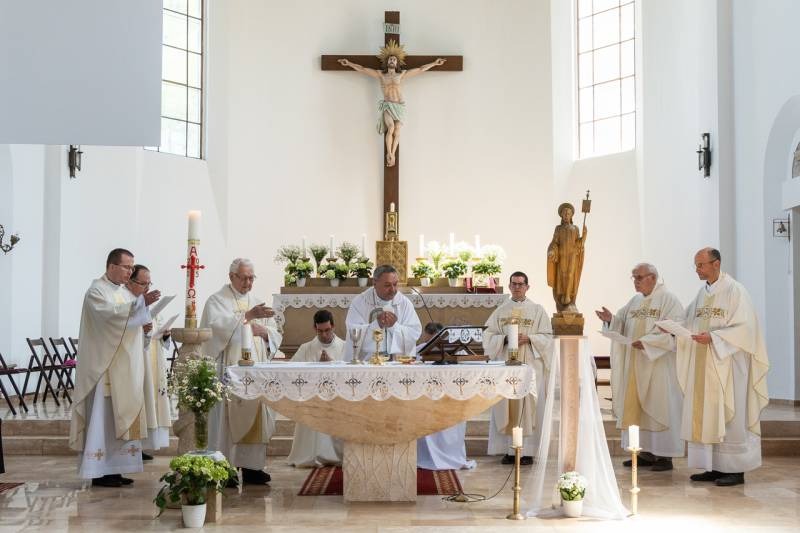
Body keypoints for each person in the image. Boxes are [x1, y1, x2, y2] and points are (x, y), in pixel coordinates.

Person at [677, 248, 769, 487]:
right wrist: (672, 328)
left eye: (700, 265)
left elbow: (746, 329)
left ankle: (735, 470)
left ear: (716, 264)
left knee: (731, 416)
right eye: (696, 265)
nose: (697, 270)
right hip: (704, 366)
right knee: (709, 414)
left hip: (729, 366)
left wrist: (714, 337)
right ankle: (714, 466)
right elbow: (687, 320)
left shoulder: (735, 291)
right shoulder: (702, 293)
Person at [69, 248, 159, 487]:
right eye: (127, 267)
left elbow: (129, 324)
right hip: (104, 368)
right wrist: (140, 304)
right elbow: (109, 318)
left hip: (123, 368)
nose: (130, 272)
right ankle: (99, 472)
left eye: (132, 267)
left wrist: (144, 326)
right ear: (111, 266)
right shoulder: (96, 291)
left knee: (117, 419)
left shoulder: (123, 293)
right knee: (103, 419)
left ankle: (116, 468)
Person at [595, 263, 685, 471]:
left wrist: (647, 343)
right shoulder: (634, 301)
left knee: (659, 405)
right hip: (634, 364)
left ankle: (664, 456)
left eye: (639, 277)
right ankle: (644, 452)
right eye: (633, 277)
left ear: (652, 277)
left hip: (658, 365)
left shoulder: (669, 300)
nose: (635, 282)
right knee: (637, 408)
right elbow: (622, 324)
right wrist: (611, 320)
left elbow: (675, 330)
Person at [201, 258, 282, 485]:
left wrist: (264, 332)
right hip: (229, 373)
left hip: (255, 374)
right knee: (226, 420)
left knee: (255, 414)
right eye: (244, 278)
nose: (248, 283)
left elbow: (274, 333)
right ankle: (224, 468)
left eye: (251, 278)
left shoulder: (257, 302)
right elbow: (214, 331)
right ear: (232, 277)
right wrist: (247, 317)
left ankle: (252, 468)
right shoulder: (217, 301)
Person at [483, 272, 553, 464]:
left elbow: (548, 337)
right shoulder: (501, 310)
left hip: (530, 366)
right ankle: (509, 450)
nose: (517, 287)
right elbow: (488, 336)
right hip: (507, 366)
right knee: (507, 404)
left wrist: (530, 338)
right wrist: (505, 339)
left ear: (527, 287)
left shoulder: (537, 310)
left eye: (521, 284)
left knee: (529, 406)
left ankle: (527, 451)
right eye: (514, 284)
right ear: (509, 286)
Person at [338, 41, 445, 167]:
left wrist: (434, 63)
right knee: (391, 127)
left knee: (398, 129)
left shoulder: (402, 74)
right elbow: (362, 69)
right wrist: (349, 63)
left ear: (397, 63)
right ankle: (389, 153)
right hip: (388, 105)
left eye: (394, 59)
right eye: (390, 59)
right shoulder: (381, 74)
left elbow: (421, 69)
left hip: (399, 106)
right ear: (387, 62)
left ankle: (393, 153)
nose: (392, 60)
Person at [125, 264, 173, 460]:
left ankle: (144, 445)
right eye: (143, 283)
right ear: (130, 282)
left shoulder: (148, 305)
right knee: (141, 400)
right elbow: (122, 332)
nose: (147, 288)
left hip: (153, 357)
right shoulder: (126, 304)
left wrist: (165, 334)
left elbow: (155, 329)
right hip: (138, 360)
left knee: (152, 400)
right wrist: (143, 331)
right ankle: (135, 446)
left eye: (149, 284)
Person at [287, 310, 345, 467]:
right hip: (312, 398)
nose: (324, 334)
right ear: (314, 328)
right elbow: (291, 372)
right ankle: (312, 454)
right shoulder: (306, 348)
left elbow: (350, 375)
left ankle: (335, 454)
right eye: (320, 331)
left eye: (327, 330)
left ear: (333, 326)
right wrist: (316, 368)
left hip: (337, 399)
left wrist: (332, 365)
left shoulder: (344, 347)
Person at [416, 322, 476, 471]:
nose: (428, 344)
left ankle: (448, 454)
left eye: (432, 340)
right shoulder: (418, 350)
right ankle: (427, 455)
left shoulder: (454, 351)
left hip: (449, 397)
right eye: (427, 340)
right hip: (426, 399)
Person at [343, 264, 421, 361]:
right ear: (375, 283)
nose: (393, 290)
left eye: (395, 284)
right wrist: (377, 325)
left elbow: (414, 333)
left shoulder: (404, 303)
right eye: (387, 285)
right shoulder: (360, 302)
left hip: (397, 363)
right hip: (367, 363)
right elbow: (354, 333)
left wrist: (394, 326)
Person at [547, 203, 587, 313]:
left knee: (570, 275)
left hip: (572, 255)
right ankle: (562, 300)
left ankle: (568, 297)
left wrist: (584, 236)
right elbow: (555, 242)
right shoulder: (558, 229)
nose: (566, 215)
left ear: (571, 215)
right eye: (564, 213)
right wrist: (552, 250)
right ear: (561, 215)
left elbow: (579, 244)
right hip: (561, 256)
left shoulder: (575, 228)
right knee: (562, 276)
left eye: (568, 213)